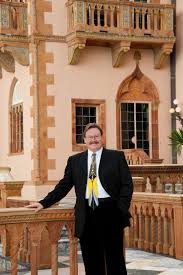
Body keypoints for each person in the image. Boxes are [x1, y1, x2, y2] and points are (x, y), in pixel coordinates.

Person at [26, 123, 133, 275]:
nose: (93, 139)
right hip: (86, 213)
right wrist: (44, 203)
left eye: (96, 136)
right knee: (91, 260)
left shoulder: (116, 157)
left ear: (101, 138)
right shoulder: (75, 161)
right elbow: (63, 186)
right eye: (90, 137)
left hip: (111, 212)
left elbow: (127, 185)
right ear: (84, 139)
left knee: (115, 259)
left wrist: (120, 208)